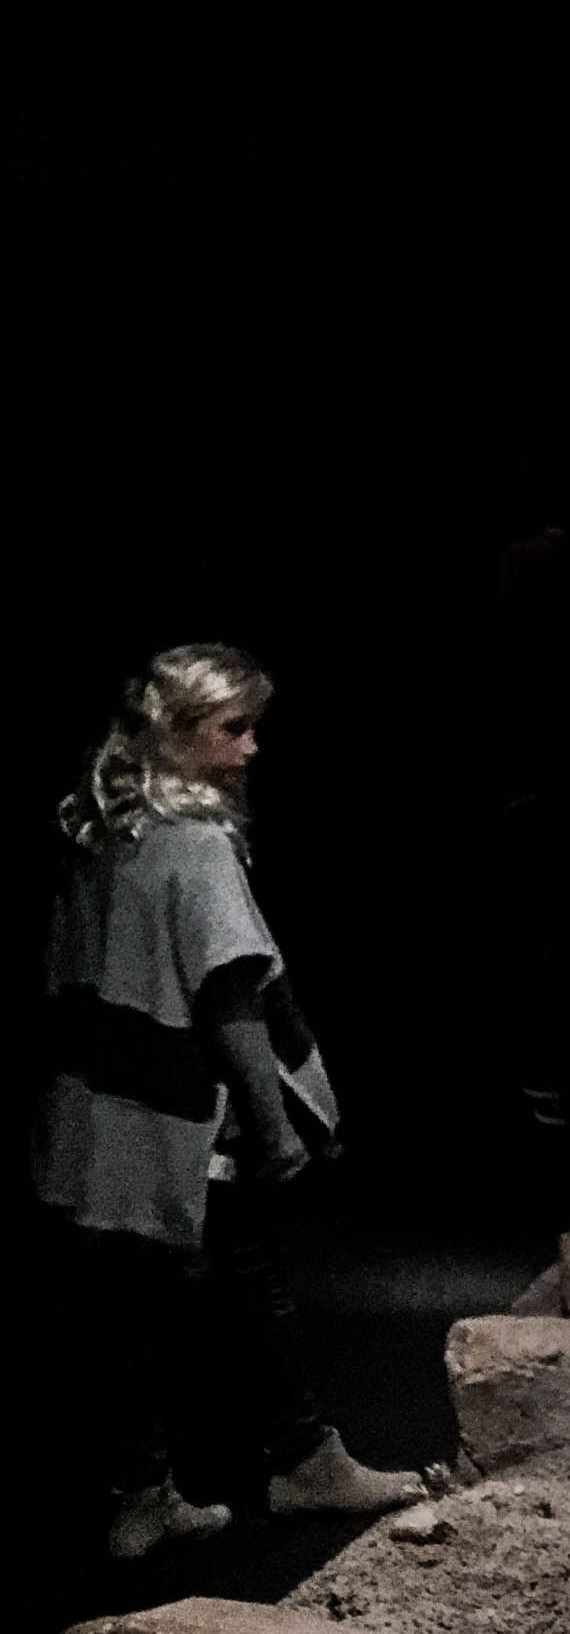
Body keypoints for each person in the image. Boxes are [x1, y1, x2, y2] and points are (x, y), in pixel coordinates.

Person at [36, 644, 427, 1561]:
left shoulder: (106, 832)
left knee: (130, 1305)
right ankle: (305, 1460)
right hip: (187, 1114)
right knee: (249, 1286)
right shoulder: (196, 845)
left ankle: (141, 1492)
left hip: (111, 1111)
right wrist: (277, 1122)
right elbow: (229, 992)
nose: (251, 749)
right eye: (232, 728)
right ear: (175, 733)